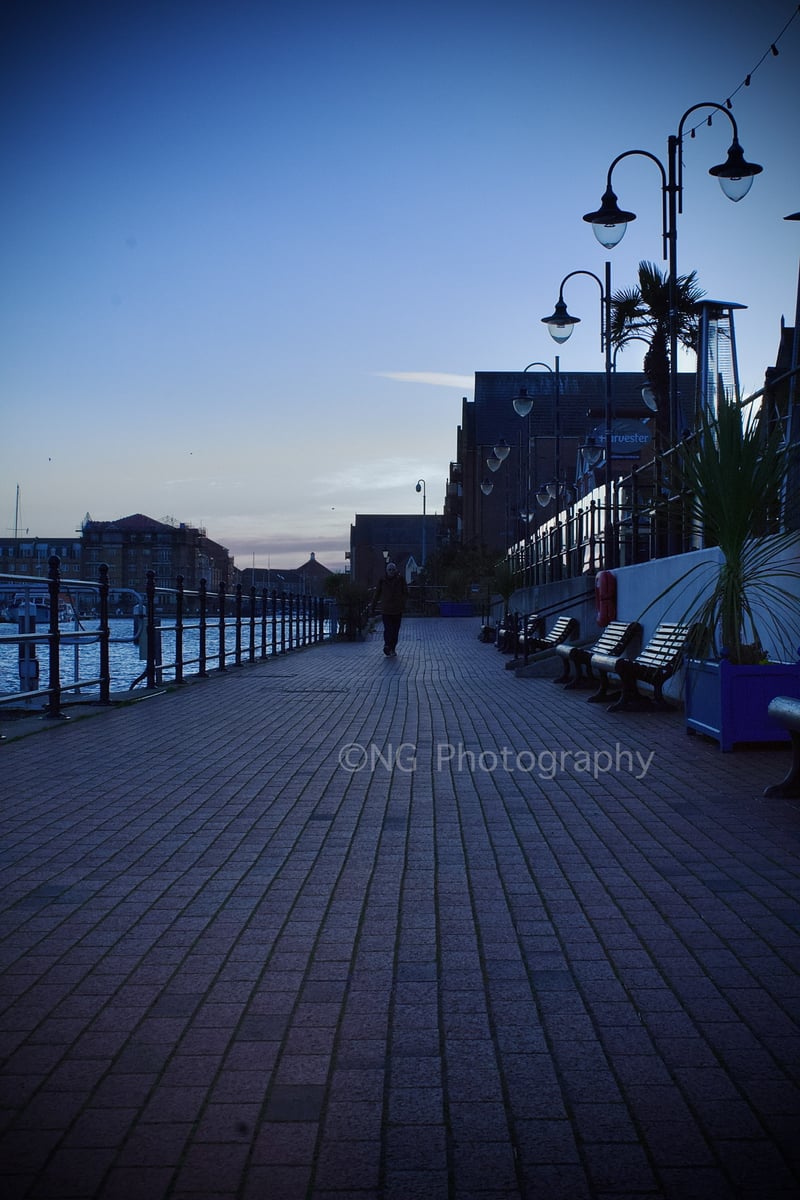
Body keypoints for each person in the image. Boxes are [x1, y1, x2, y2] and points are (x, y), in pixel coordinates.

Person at [371, 561, 408, 656]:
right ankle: (387, 645)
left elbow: (405, 592)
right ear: (386, 571)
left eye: (393, 569)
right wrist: (373, 606)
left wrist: (402, 602)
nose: (391, 571)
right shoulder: (382, 580)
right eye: (390, 570)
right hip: (386, 609)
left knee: (395, 630)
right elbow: (377, 593)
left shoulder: (400, 580)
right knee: (388, 629)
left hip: (397, 609)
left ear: (396, 570)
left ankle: (392, 648)